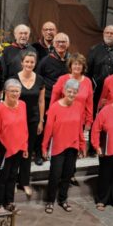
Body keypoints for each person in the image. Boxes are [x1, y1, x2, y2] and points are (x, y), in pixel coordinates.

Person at [42, 79, 87, 214]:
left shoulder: (79, 106)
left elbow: (80, 127)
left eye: (74, 92)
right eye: (69, 91)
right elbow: (48, 129)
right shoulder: (55, 107)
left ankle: (63, 199)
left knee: (67, 175)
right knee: (55, 175)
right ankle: (50, 201)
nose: (71, 94)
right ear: (64, 91)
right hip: (58, 146)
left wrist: (82, 144)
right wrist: (44, 147)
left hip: (72, 146)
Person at [0, 79, 28, 214]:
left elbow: (24, 127)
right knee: (3, 177)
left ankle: (9, 202)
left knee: (13, 176)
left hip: (19, 147)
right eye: (12, 91)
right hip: (5, 149)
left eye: (17, 91)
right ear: (5, 92)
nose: (15, 93)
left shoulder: (23, 105)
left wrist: (25, 146)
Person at [13, 51, 45, 195]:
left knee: (28, 150)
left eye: (32, 62)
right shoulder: (14, 79)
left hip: (32, 120)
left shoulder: (39, 80)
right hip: (16, 121)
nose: (29, 64)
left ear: (35, 63)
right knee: (14, 151)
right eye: (27, 62)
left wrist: (41, 120)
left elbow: (41, 101)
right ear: (22, 62)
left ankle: (24, 182)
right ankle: (12, 181)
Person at [87, 25, 113, 114]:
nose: (109, 35)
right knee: (95, 112)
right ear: (103, 34)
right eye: (107, 33)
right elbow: (88, 71)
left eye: (112, 33)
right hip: (97, 89)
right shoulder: (94, 49)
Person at [36, 32, 70, 111]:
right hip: (48, 98)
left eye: (63, 42)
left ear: (68, 44)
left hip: (66, 98)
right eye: (58, 42)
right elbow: (38, 78)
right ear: (53, 44)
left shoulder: (71, 61)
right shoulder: (45, 60)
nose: (60, 44)